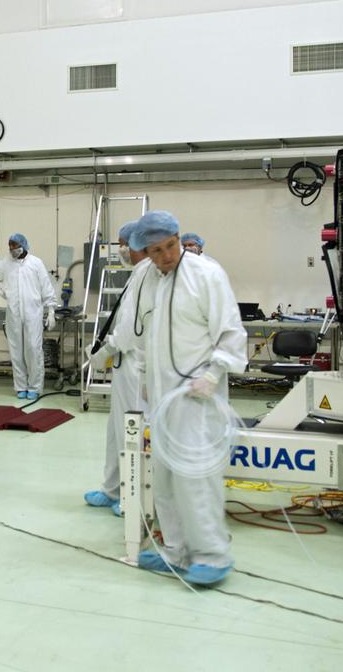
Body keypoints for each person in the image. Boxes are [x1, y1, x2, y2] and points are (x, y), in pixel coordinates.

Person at [131, 210, 246, 587]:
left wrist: (214, 374)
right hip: (163, 397)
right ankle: (176, 551)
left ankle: (213, 555)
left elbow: (230, 331)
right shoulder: (150, 279)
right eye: (156, 250)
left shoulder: (205, 274)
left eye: (171, 246)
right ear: (144, 252)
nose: (167, 256)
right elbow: (149, 333)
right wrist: (148, 377)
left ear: (179, 239)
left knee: (196, 477)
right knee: (163, 476)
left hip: (198, 394)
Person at [83, 221, 155, 516]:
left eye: (122, 244)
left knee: (133, 431)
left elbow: (130, 330)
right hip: (125, 367)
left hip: (138, 366)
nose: (121, 250)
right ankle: (112, 488)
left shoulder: (147, 276)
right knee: (116, 431)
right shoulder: (136, 275)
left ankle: (132, 495)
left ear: (136, 244)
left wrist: (107, 349)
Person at [0, 234, 58, 400]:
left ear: (23, 245)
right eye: (9, 246)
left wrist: (51, 309)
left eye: (14, 245)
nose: (11, 249)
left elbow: (46, 287)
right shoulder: (5, 264)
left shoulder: (36, 263)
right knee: (16, 351)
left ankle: (35, 387)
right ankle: (21, 386)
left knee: (33, 349)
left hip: (33, 313)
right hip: (14, 313)